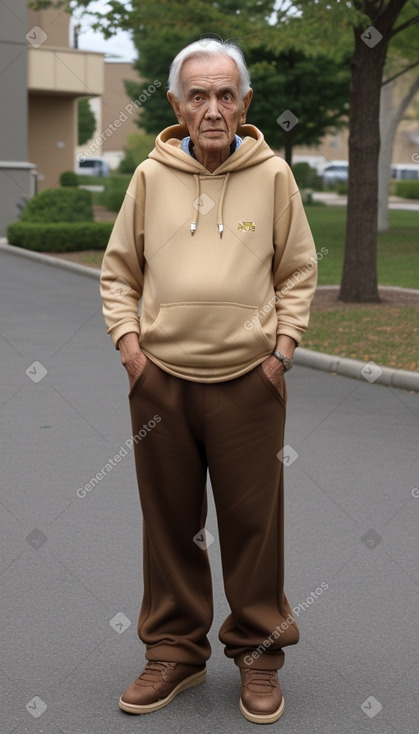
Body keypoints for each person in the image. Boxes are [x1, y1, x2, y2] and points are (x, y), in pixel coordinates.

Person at [100, 38, 317, 725]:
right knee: (169, 525)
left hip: (248, 382)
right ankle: (173, 653)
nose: (213, 108)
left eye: (226, 94)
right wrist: (132, 350)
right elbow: (118, 274)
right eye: (198, 94)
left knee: (253, 525)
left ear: (245, 103)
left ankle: (258, 655)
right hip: (159, 381)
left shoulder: (273, 175)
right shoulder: (148, 176)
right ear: (175, 105)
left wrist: (280, 351)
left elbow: (297, 272)